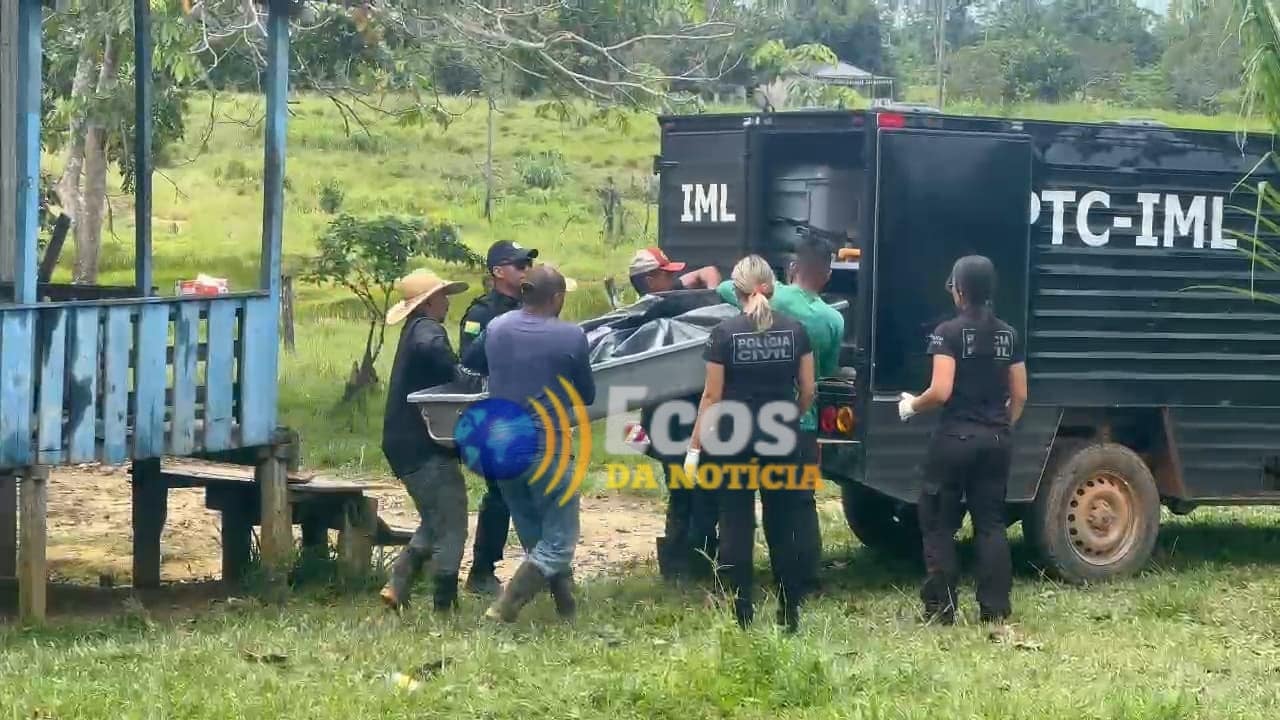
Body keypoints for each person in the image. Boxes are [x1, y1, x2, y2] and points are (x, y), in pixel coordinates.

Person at [685, 255, 816, 632]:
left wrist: (695, 448)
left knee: (735, 523)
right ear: (770, 287)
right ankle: (789, 615)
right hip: (781, 439)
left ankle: (741, 614)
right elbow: (809, 389)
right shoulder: (796, 331)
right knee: (784, 524)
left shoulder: (723, 334)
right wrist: (791, 415)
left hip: (733, 441)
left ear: (737, 289)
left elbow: (712, 397)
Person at [899, 255, 1028, 626]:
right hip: (997, 439)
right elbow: (1020, 394)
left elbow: (941, 391)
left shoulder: (947, 333)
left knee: (938, 523)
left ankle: (941, 608)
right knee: (990, 524)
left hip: (954, 440)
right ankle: (995, 609)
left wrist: (911, 405)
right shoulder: (1009, 334)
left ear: (959, 290)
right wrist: (1002, 425)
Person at [462, 266, 596, 623]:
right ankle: (505, 606)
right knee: (559, 541)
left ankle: (567, 609)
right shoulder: (571, 335)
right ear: (557, 297)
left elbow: (471, 360)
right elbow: (586, 395)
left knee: (536, 538)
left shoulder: (497, 326)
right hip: (546, 445)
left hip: (501, 446)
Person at [715, 236, 844, 595]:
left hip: (744, 427)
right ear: (827, 275)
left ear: (792, 269)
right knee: (796, 506)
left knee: (737, 507)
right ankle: (801, 581)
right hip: (796, 426)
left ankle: (735, 584)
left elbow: (726, 288)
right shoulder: (831, 320)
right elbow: (824, 374)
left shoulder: (766, 296)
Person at [378, 269, 472, 612]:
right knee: (453, 522)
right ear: (429, 302)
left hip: (404, 442)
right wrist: (459, 372)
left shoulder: (412, 329)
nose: (447, 302)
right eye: (443, 296)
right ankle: (444, 603)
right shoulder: (427, 330)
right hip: (422, 444)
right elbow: (433, 349)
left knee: (435, 519)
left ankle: (397, 584)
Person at [458, 239, 538, 596]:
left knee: (535, 490)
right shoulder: (481, 314)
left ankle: (541, 567)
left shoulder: (534, 306)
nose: (526, 270)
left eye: (528, 265)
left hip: (533, 410)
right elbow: (468, 363)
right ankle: (482, 570)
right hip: (496, 413)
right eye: (519, 265)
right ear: (498, 272)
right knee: (501, 493)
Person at [628, 246, 722, 296]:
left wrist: (712, 293)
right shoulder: (643, 316)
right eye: (667, 274)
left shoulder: (673, 287)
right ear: (650, 282)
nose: (673, 275)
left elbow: (708, 271)